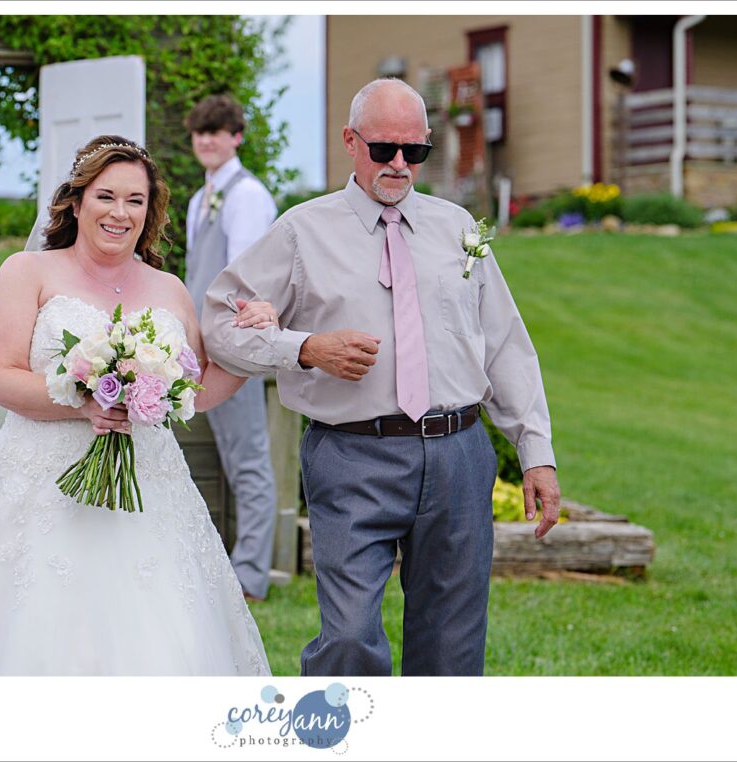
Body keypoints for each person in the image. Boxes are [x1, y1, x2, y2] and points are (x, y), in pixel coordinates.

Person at [201, 79, 562, 677]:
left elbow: (504, 346)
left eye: (414, 151)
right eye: (383, 149)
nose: (399, 164)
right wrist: (306, 348)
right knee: (348, 638)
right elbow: (220, 320)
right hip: (352, 455)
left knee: (452, 646)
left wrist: (536, 452)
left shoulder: (458, 231)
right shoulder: (301, 232)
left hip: (459, 456)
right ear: (350, 141)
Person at [0, 135, 278, 676]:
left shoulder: (170, 289)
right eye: (106, 196)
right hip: (39, 487)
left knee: (163, 642)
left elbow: (191, 392)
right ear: (76, 203)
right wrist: (82, 404)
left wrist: (246, 347)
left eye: (135, 201)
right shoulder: (26, 273)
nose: (120, 213)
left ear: (150, 211)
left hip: (147, 488)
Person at [184, 94, 279, 601]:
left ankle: (251, 575)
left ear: (237, 136)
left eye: (217, 131)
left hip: (233, 349)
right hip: (200, 348)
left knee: (248, 460)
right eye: (200, 132)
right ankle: (222, 564)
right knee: (221, 458)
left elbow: (246, 276)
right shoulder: (202, 198)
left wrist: (231, 348)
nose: (207, 140)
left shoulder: (247, 196)